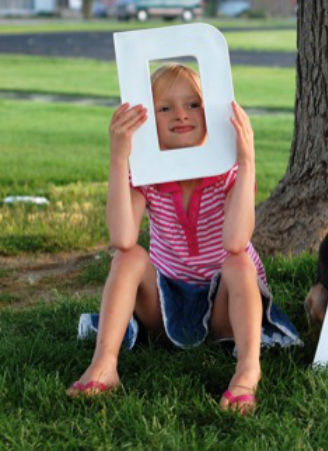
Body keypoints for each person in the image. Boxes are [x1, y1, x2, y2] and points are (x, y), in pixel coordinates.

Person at [67, 64, 301, 414]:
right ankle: (104, 364)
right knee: (128, 258)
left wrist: (246, 159)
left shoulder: (227, 170)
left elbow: (236, 241)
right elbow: (122, 237)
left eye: (193, 105)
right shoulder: (146, 173)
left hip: (225, 306)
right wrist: (119, 159)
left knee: (238, 261)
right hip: (165, 302)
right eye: (164, 108)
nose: (181, 115)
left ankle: (247, 371)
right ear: (148, 119)